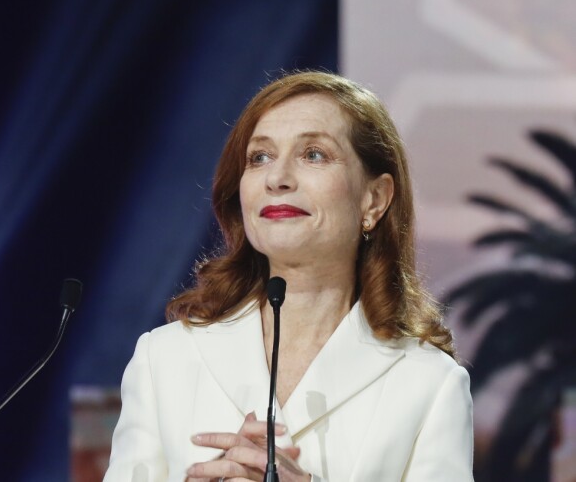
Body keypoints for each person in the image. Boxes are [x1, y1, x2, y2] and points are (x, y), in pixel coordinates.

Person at [104, 71, 474, 482]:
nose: (277, 178)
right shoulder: (164, 360)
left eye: (313, 154)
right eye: (259, 157)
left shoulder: (429, 384)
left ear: (375, 199)